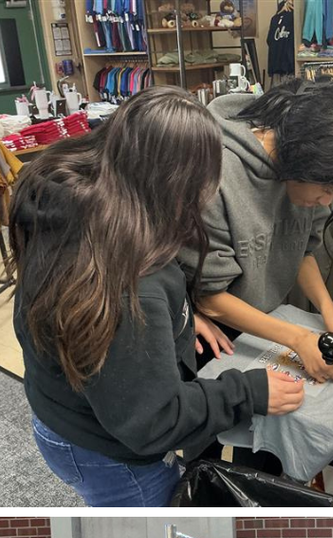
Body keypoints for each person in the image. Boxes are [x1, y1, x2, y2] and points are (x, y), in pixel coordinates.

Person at [11, 86, 304, 507]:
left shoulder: (77, 206)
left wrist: (179, 314)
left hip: (61, 415)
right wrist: (248, 392)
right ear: (179, 183)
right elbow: (152, 420)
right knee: (156, 534)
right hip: (112, 455)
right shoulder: (129, 282)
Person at [181, 77, 333, 385]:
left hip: (264, 323)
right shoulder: (214, 177)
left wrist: (330, 311)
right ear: (299, 160)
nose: (327, 202)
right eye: (327, 190)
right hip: (210, 334)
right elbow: (210, 298)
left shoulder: (314, 175)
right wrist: (299, 339)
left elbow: (299, 249)